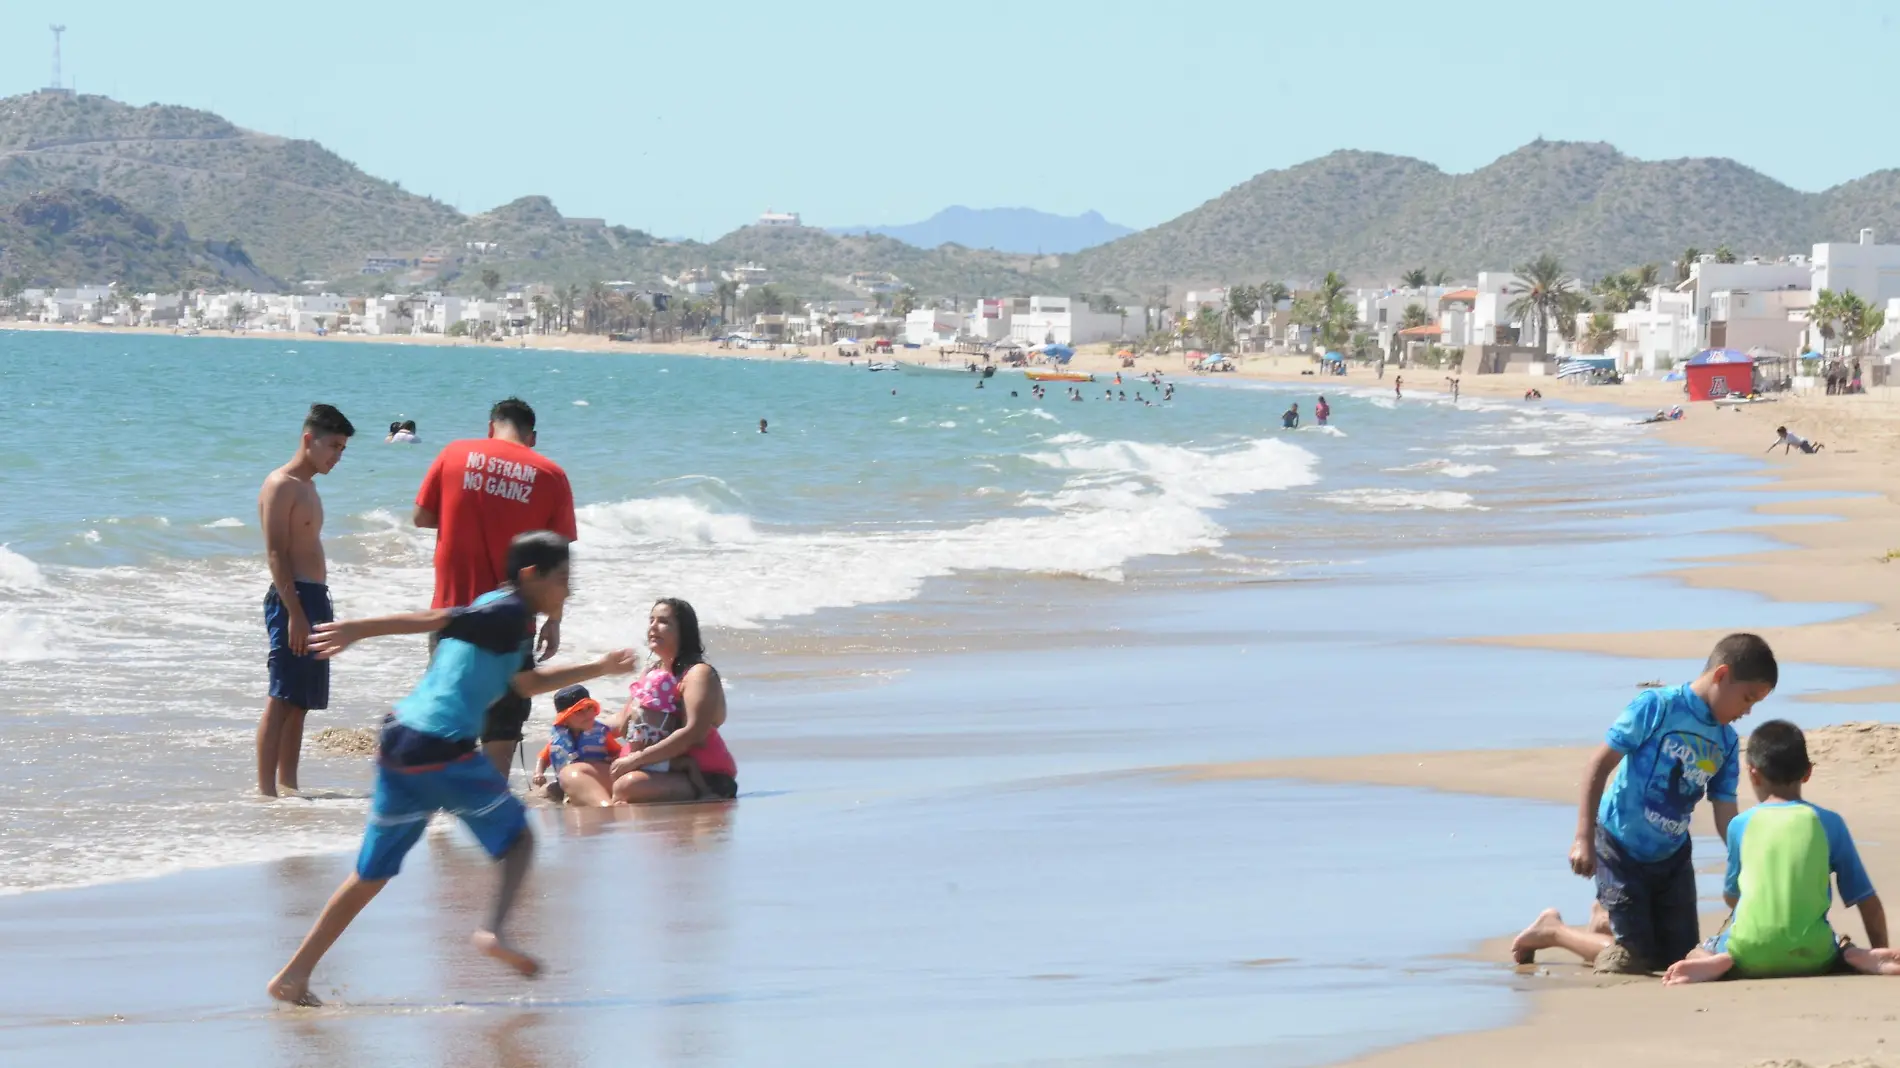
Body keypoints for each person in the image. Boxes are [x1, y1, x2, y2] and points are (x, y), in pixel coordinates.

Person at [266, 531, 636, 1006]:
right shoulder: (502, 611)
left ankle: (293, 975)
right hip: (441, 748)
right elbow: (436, 617)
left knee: (371, 874)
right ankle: (493, 931)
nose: (569, 589)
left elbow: (524, 684)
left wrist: (598, 668)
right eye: (563, 579)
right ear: (530, 576)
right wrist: (358, 629)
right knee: (520, 842)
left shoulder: (513, 620)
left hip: (400, 741)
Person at [1510, 633, 1777, 974]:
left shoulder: (1725, 741)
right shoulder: (1657, 707)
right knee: (1633, 959)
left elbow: (1724, 808)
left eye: (1756, 703)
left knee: (1678, 959)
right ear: (1722, 676)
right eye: (1747, 698)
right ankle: (1552, 930)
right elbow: (1599, 764)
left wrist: (1743, 858)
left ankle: (1604, 918)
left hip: (1672, 857)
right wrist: (1583, 837)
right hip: (1620, 846)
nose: (1748, 710)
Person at [1663, 720, 1900, 984]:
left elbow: (1732, 896)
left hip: (1749, 953)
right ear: (1807, 772)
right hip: (1814, 954)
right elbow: (1867, 901)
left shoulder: (1740, 825)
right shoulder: (1829, 822)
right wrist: (1881, 945)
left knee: (1703, 947)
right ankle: (1860, 955)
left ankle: (1717, 960)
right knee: (1840, 943)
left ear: (1753, 774)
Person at [414, 398, 578, 778]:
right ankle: (488, 822)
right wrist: (554, 619)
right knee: (501, 733)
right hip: (513, 620)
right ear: (531, 436)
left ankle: (441, 827)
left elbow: (421, 516)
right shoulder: (551, 475)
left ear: (491, 427)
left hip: (453, 614)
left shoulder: (454, 453)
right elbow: (558, 560)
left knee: (447, 725)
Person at [256, 403, 355, 797]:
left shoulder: (310, 488)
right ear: (308, 439)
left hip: (315, 598)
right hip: (291, 600)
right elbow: (277, 553)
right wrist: (295, 612)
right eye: (333, 445)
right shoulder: (281, 484)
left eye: (343, 449)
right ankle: (265, 792)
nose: (337, 456)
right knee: (281, 696)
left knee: (301, 702)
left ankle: (290, 786)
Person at [607, 599, 738, 804]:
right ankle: (608, 805)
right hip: (654, 766)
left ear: (683, 631)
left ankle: (615, 805)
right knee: (580, 771)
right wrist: (580, 726)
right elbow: (623, 721)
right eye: (651, 620)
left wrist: (636, 759)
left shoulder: (698, 674)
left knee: (627, 786)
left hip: (702, 775)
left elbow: (694, 732)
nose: (653, 626)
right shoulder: (651, 672)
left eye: (663, 621)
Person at [531, 684, 624, 807]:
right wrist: (538, 773)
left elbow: (619, 752)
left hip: (595, 778)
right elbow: (543, 757)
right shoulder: (559, 738)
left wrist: (615, 759)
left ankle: (606, 801)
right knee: (538, 795)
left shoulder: (601, 734)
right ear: (564, 718)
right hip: (566, 783)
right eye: (579, 711)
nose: (588, 714)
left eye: (589, 708)